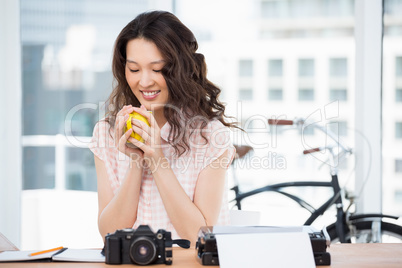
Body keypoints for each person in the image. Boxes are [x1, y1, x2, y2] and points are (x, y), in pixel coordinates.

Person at [89, 10, 237, 244]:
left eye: (157, 69)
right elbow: (109, 234)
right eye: (134, 69)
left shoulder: (210, 135)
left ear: (181, 68)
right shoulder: (107, 133)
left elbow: (200, 236)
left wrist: (157, 158)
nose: (145, 81)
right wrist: (137, 160)